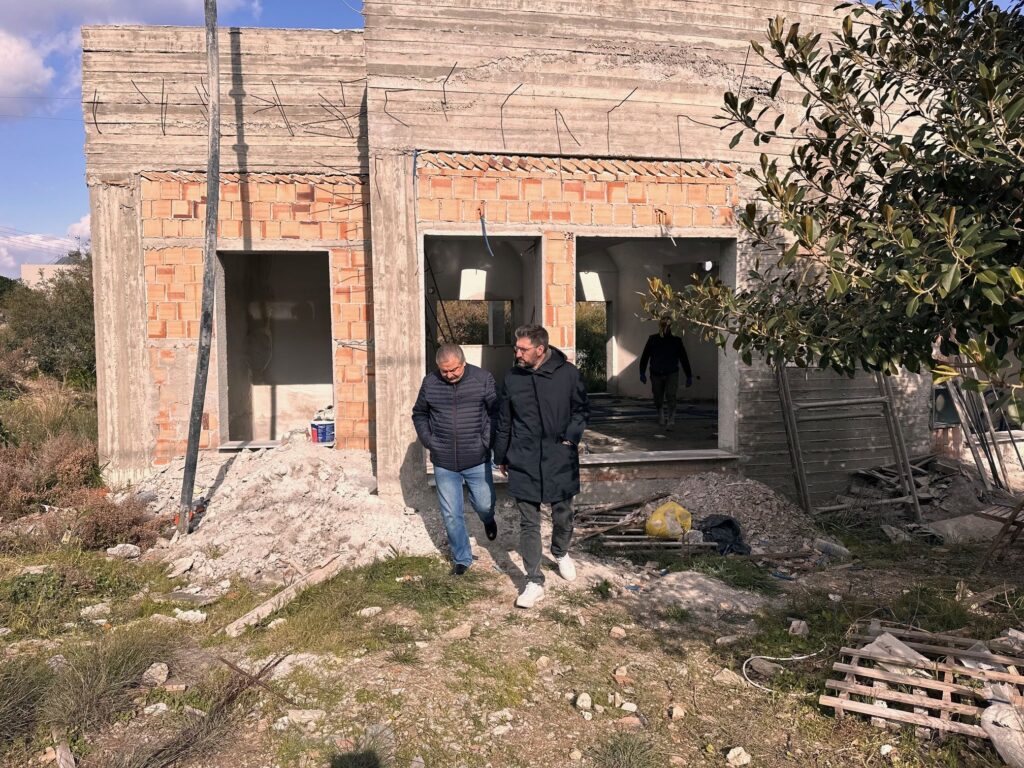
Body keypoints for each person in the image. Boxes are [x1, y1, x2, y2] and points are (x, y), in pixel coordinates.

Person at [494, 324, 589, 608]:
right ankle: (534, 581)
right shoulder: (512, 377)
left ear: (540, 349)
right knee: (528, 522)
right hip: (523, 458)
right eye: (516, 348)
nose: (517, 353)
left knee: (563, 514)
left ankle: (560, 551)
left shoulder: (568, 374)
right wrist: (501, 455)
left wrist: (570, 440)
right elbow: (504, 419)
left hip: (559, 457)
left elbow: (581, 409)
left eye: (522, 349)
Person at [412, 344, 498, 575]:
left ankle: (488, 519)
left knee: (484, 504)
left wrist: (486, 441)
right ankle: (462, 558)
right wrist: (429, 440)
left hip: (477, 457)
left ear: (463, 363)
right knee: (451, 514)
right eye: (444, 371)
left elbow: (495, 413)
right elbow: (419, 413)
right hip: (444, 460)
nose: (449, 375)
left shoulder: (483, 379)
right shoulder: (430, 383)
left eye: (454, 370)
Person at [638, 315, 693, 429]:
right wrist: (642, 372)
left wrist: (689, 375)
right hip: (656, 372)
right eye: (664, 325)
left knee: (671, 395)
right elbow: (645, 357)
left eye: (668, 325)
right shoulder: (653, 339)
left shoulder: (676, 341)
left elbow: (684, 358)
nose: (666, 327)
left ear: (672, 326)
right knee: (658, 397)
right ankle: (661, 413)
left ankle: (671, 418)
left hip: (671, 372)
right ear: (660, 326)